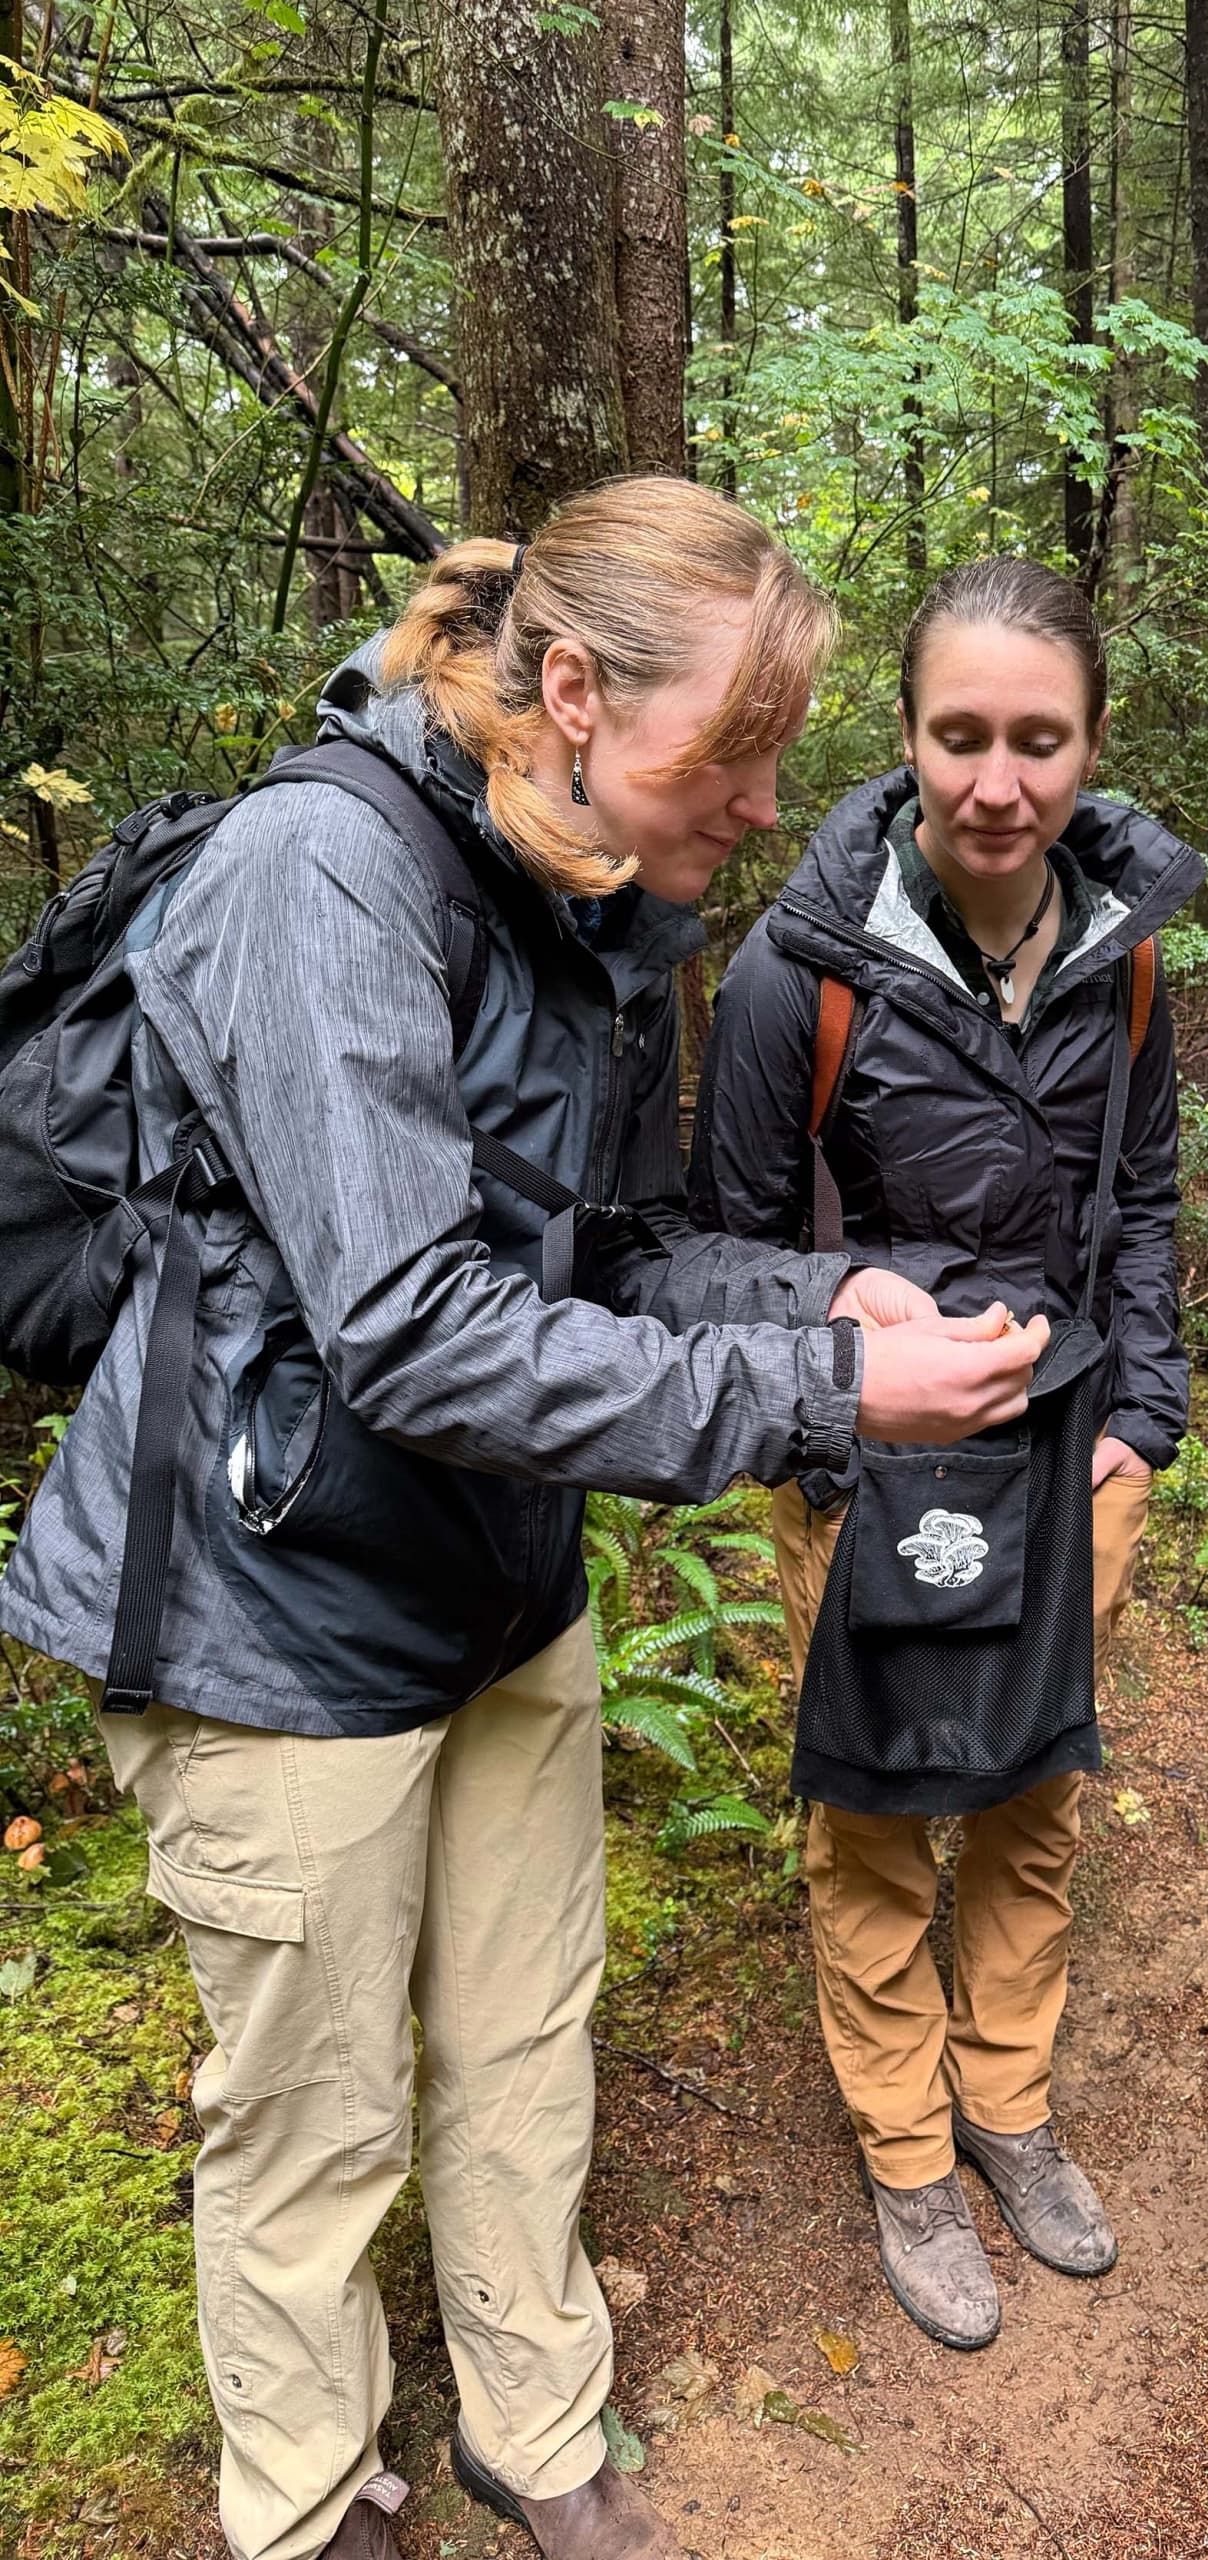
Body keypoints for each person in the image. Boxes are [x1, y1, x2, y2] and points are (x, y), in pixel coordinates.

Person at [0, 480, 1048, 2560]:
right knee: (312, 2122)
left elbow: (611, 1250)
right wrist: (829, 1391)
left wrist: (807, 1295)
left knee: (524, 2038)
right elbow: (412, 1328)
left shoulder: (594, 903)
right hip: (265, 1602)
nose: (763, 802)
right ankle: (301, 2504)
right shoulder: (321, 873)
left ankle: (536, 2422)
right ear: (570, 692)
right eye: (731, 750)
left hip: (497, 1586)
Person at [689, 557, 1201, 2353]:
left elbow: (1140, 1193)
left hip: (1073, 1463)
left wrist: (1143, 1419)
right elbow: (717, 1246)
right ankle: (911, 2153)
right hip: (865, 1461)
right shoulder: (798, 975)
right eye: (961, 734)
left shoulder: (1125, 957)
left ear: (1089, 748)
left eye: (1038, 740)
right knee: (882, 1819)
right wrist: (846, 1368)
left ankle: (1009, 2103)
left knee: (1035, 1797)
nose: (999, 781)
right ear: (904, 738)